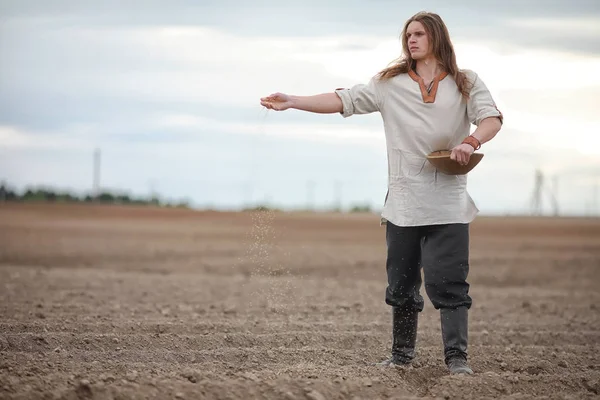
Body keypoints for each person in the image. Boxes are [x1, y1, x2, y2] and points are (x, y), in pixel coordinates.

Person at [260, 11, 503, 375]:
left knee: (448, 283)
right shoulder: (390, 84)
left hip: (449, 204)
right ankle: (401, 357)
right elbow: (343, 99)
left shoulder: (465, 81)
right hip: (403, 204)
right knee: (402, 286)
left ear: (437, 37)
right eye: (408, 35)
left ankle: (457, 360)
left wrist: (470, 141)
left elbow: (492, 118)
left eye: (419, 34)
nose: (411, 40)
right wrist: (293, 100)